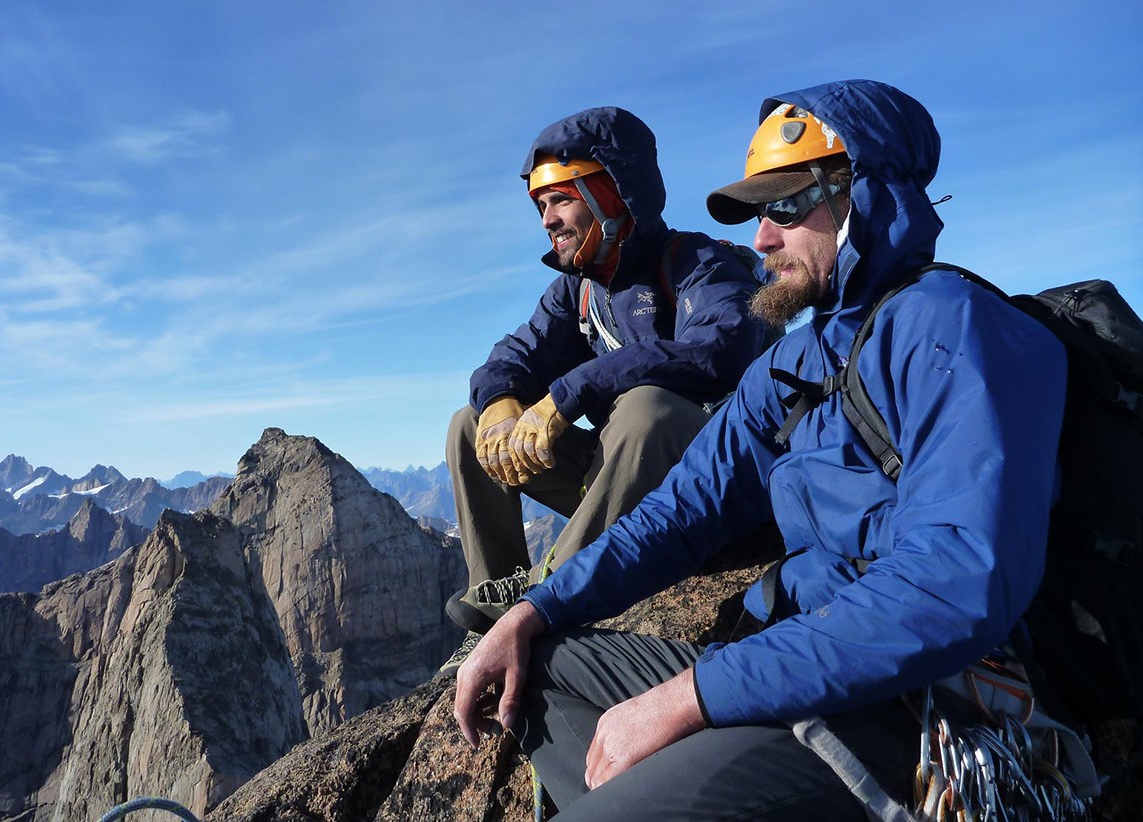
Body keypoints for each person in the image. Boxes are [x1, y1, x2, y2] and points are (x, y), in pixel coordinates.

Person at [454, 80, 1092, 818]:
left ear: (866, 191)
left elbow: (950, 587)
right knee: (531, 670)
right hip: (794, 662)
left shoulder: (956, 329)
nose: (762, 237)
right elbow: (678, 514)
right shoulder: (801, 361)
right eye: (760, 212)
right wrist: (533, 610)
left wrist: (691, 697)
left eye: (786, 205)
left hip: (910, 704)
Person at [440, 107, 770, 673]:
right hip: (636, 496)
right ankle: (496, 609)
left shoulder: (697, 264)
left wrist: (570, 394)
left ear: (615, 192)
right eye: (541, 206)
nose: (547, 219)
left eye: (561, 199)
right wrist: (500, 402)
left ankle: (546, 600)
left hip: (722, 501)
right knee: (470, 427)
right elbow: (513, 357)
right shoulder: (579, 292)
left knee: (648, 410)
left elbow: (722, 348)